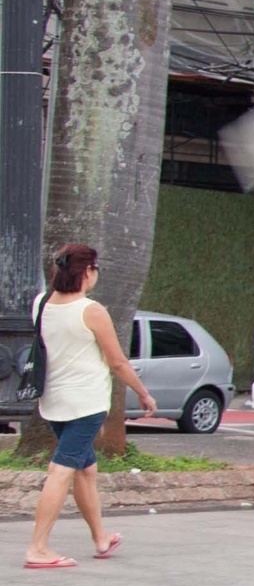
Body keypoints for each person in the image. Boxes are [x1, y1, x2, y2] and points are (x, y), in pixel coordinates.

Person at [23, 244, 156, 569]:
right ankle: (37, 548)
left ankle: (100, 536)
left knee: (86, 469)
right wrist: (143, 393)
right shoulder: (91, 310)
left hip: (52, 401)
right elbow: (118, 363)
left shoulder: (41, 304)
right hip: (86, 404)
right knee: (61, 470)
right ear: (87, 271)